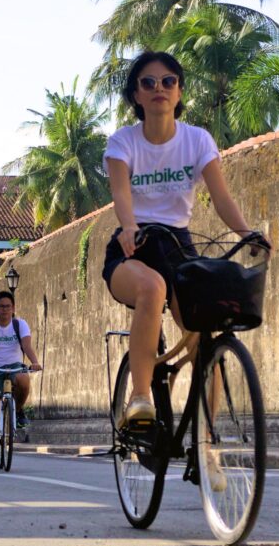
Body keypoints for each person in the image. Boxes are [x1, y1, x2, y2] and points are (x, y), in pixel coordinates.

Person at [101, 51, 267, 429]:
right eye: (148, 82)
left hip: (178, 245)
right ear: (136, 96)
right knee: (152, 287)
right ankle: (140, 397)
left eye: (168, 81)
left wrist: (247, 233)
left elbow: (221, 197)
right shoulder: (122, 142)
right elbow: (121, 195)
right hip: (135, 245)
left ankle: (207, 442)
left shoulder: (197, 140)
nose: (159, 88)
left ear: (178, 93)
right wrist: (128, 227)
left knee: (205, 338)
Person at [0, 291, 42, 462]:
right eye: (1, 306)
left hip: (14, 366)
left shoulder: (20, 325)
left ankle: (18, 411)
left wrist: (34, 361)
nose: (5, 310)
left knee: (23, 379)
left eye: (8, 306)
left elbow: (26, 345)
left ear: (13, 308)